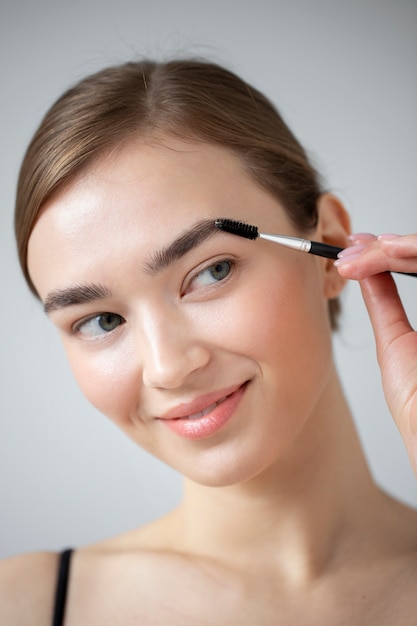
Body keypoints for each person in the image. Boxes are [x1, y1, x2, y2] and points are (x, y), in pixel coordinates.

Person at [1, 58, 417, 625]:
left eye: (212, 272)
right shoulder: (21, 606)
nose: (168, 367)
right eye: (100, 321)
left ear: (331, 246)